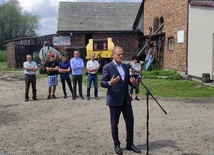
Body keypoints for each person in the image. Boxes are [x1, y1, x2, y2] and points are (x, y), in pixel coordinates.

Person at [101, 46, 141, 155]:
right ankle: (117, 144)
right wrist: (110, 83)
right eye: (118, 54)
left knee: (130, 122)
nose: (120, 56)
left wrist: (133, 83)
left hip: (126, 99)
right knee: (114, 123)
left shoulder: (125, 66)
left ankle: (130, 143)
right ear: (112, 55)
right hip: (114, 99)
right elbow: (103, 83)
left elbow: (127, 81)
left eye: (122, 54)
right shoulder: (107, 67)